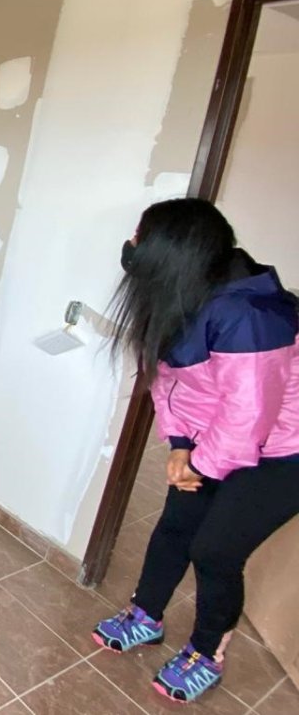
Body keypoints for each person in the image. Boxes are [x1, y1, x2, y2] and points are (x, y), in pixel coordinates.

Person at [92, 198, 299, 704]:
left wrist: (199, 465)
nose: (132, 245)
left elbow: (248, 417)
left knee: (216, 550)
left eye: (140, 237)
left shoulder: (251, 316)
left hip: (285, 452)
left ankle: (207, 652)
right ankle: (147, 615)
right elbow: (169, 383)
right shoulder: (178, 296)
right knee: (176, 525)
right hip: (221, 438)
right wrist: (181, 444)